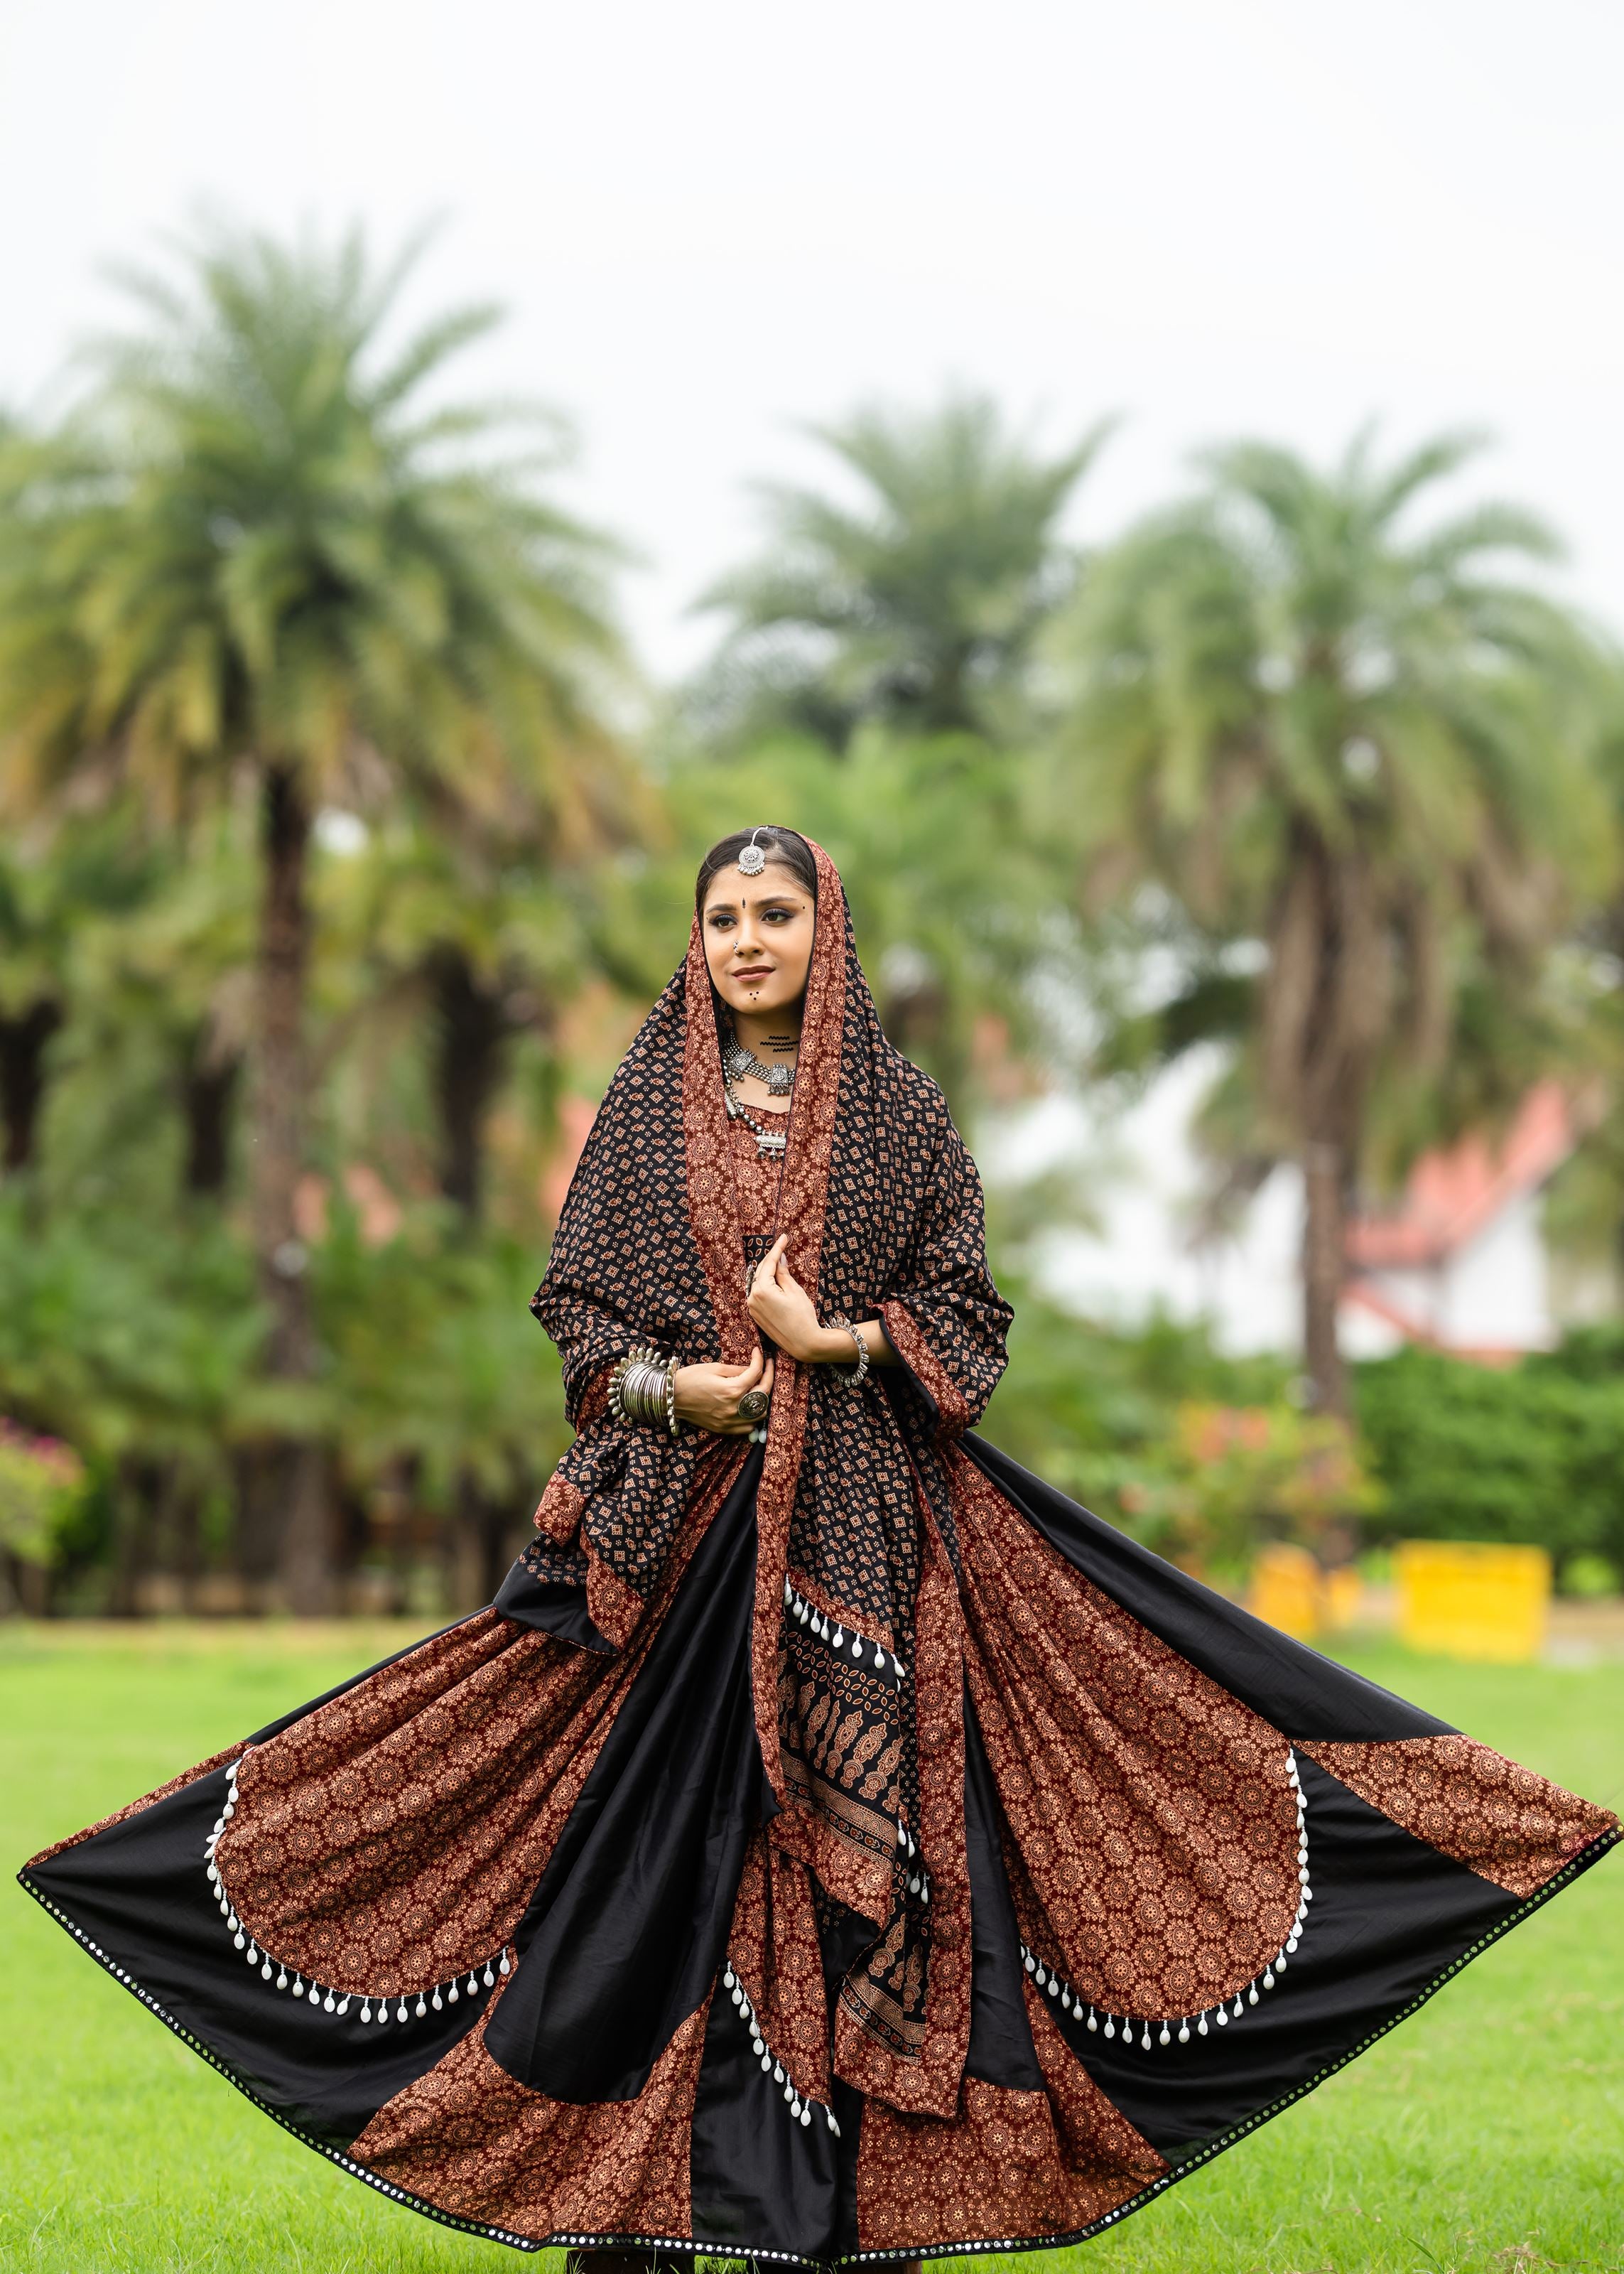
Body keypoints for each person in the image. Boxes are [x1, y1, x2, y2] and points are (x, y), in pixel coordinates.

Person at [21, 827, 1617, 2268]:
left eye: (776, 912)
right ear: (697, 938)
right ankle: (627, 2202)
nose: (748, 939)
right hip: (670, 1557)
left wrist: (832, 1340)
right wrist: (680, 1385)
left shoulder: (904, 1116)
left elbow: (973, 1323)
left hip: (867, 1552)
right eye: (722, 916)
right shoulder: (647, 1111)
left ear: (825, 930)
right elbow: (576, 1314)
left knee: (891, 1854)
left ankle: (860, 2215)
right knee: (642, 1866)